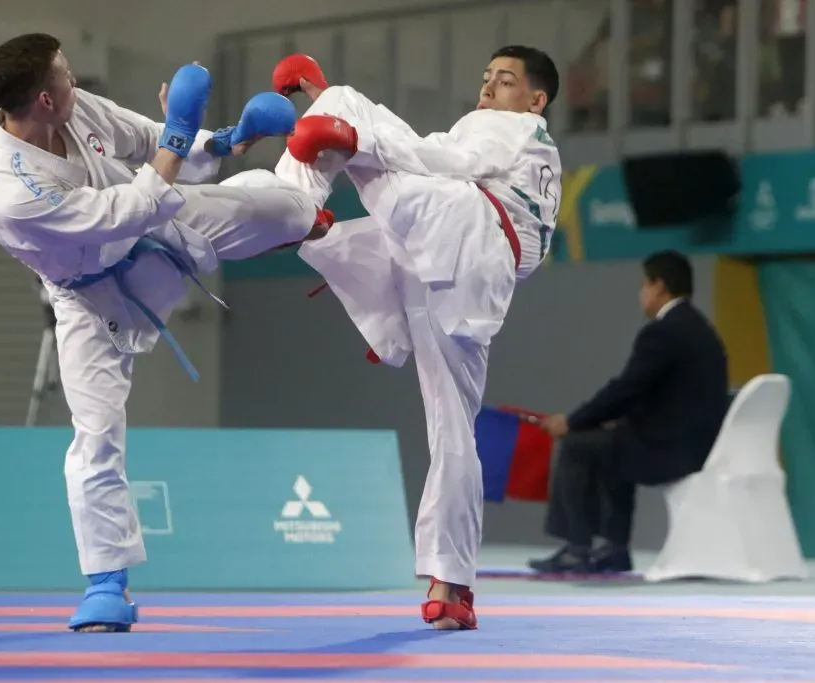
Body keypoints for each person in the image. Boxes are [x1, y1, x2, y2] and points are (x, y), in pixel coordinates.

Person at [0, 33, 331, 633]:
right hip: (91, 295)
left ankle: (292, 205)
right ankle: (106, 584)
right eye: (64, 76)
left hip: (162, 225)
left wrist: (223, 135)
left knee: (292, 212)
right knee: (96, 433)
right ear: (42, 99)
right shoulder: (8, 192)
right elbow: (128, 209)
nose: (76, 82)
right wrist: (177, 131)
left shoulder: (75, 106)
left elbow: (150, 143)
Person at [269, 46, 562, 630]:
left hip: (464, 229)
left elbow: (443, 159)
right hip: (468, 272)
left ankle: (287, 205)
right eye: (485, 78)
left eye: (505, 81)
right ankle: (451, 586)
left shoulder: (514, 125)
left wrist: (351, 138)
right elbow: (435, 157)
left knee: (348, 109)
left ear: (536, 100)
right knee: (453, 425)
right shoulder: (532, 151)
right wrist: (352, 139)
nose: (488, 89)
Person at [528, 251, 730, 574]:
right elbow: (664, 394)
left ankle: (577, 547)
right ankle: (614, 548)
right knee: (613, 442)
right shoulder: (701, 329)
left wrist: (572, 421)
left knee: (578, 444)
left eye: (643, 285)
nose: (641, 293)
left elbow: (626, 388)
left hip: (672, 451)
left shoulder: (663, 331)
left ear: (659, 286)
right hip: (697, 446)